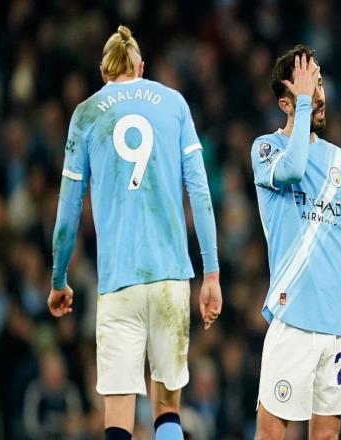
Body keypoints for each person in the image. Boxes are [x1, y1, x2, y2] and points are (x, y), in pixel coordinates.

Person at [46, 25, 222, 440]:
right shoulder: (174, 104)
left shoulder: (87, 113)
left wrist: (58, 279)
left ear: (103, 73)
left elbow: (68, 209)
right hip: (170, 277)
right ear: (141, 67)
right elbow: (200, 191)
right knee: (167, 410)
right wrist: (211, 272)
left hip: (118, 283)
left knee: (118, 414)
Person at [251, 45, 341, 439]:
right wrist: (304, 103)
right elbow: (293, 169)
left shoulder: (337, 160)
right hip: (292, 317)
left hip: (337, 326)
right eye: (309, 88)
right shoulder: (266, 149)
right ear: (285, 103)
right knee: (271, 432)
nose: (319, 95)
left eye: (320, 83)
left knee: (327, 436)